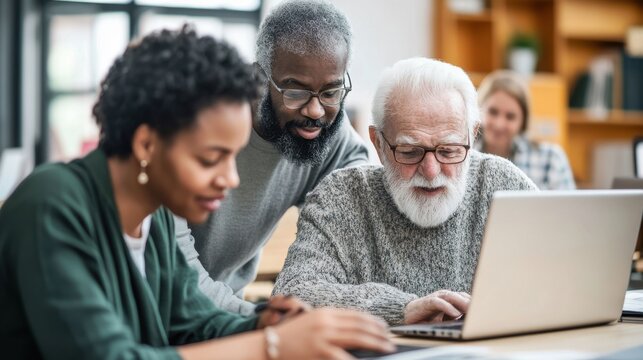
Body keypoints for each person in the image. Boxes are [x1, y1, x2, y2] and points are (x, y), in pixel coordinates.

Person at [0, 27, 394, 359]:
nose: (230, 179)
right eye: (211, 159)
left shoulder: (149, 219)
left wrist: (264, 320)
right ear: (146, 145)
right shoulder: (51, 205)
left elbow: (192, 319)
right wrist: (270, 345)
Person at [272, 58, 538, 326]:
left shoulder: (503, 185)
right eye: (410, 152)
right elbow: (292, 295)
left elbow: (568, 277)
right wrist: (400, 308)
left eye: (449, 151)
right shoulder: (342, 197)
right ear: (378, 144)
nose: (431, 171)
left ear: (472, 134)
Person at [175, 0, 369, 315]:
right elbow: (176, 279)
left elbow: (360, 221)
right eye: (295, 92)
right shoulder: (194, 127)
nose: (315, 111)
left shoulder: (329, 134)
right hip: (166, 316)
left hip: (234, 316)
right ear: (259, 79)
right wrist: (263, 320)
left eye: (331, 92)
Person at [476, 70, 576, 190]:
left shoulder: (551, 159)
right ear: (478, 111)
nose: (499, 124)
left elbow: (567, 208)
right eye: (493, 112)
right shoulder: (461, 156)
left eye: (510, 116)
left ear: (523, 122)